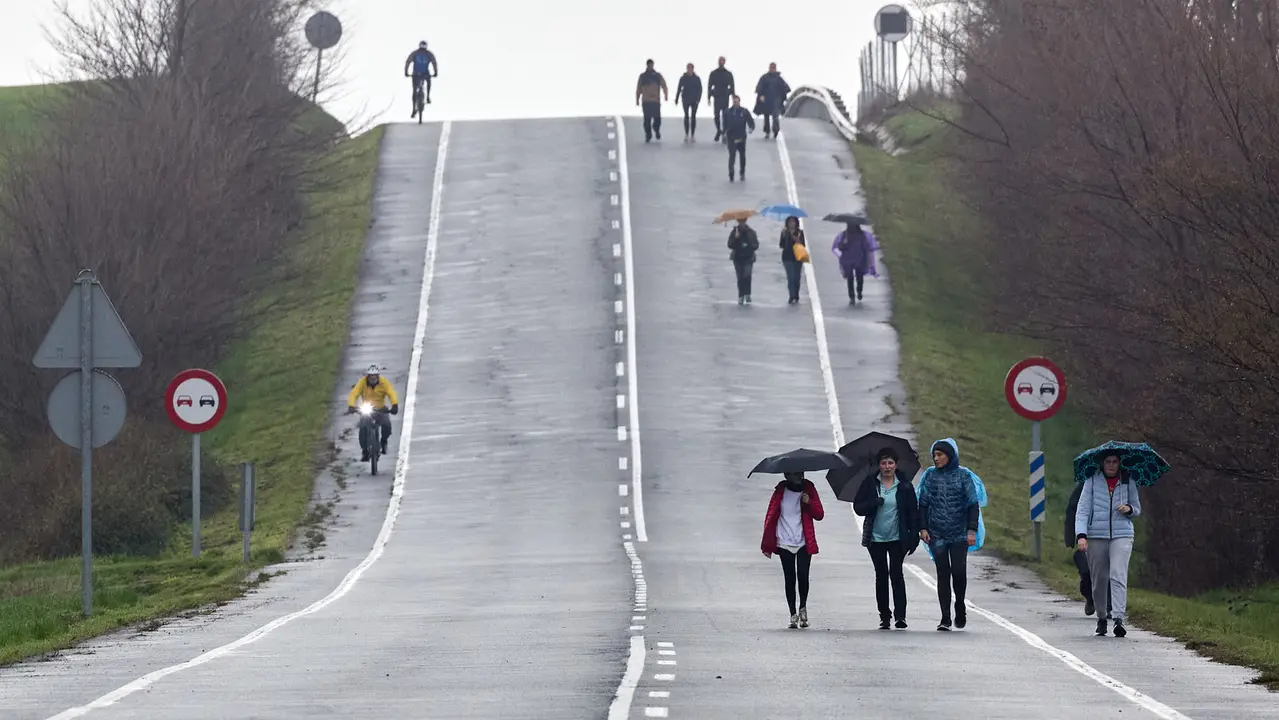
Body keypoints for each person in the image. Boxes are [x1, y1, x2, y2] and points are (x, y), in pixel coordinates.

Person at [917, 438, 983, 631]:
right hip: (936, 534)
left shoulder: (964, 476)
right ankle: (945, 617)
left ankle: (960, 604)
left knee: (959, 572)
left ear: (950, 456)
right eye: (934, 455)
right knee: (943, 574)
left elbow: (973, 504)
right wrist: (923, 528)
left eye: (940, 455)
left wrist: (971, 531)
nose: (936, 459)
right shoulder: (930, 476)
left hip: (959, 534)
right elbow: (923, 504)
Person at [1075, 451, 1142, 638]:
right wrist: (1081, 535)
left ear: (1119, 463)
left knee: (1118, 574)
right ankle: (1102, 617)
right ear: (1102, 464)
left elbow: (1137, 508)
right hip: (1096, 534)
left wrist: (1129, 509)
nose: (1111, 465)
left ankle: (1119, 618)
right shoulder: (1091, 481)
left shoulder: (1128, 481)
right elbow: (1082, 510)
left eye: (1115, 462)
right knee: (1099, 578)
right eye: (1108, 462)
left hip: (1122, 533)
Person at [853, 447, 921, 629]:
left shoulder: (905, 485)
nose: (887, 466)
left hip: (897, 538)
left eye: (890, 463)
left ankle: (901, 616)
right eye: (883, 463)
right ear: (879, 465)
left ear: (896, 465)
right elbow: (858, 507)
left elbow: (913, 512)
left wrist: (914, 536)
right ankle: (884, 616)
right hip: (875, 538)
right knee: (881, 576)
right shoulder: (870, 483)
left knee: (896, 574)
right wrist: (873, 503)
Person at [761, 472, 826, 629]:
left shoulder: (808, 488)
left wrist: (809, 502)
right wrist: (768, 540)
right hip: (784, 540)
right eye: (794, 473)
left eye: (800, 473)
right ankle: (792, 614)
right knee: (789, 577)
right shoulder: (780, 490)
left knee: (803, 575)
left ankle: (803, 608)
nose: (798, 476)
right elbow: (770, 514)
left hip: (803, 540)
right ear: (786, 475)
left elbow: (819, 514)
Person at [346, 365, 400, 461]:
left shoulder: (384, 382)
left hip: (380, 409)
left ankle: (383, 441)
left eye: (375, 375)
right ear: (368, 376)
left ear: (378, 375)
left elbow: (391, 393)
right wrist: (351, 405)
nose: (373, 377)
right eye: (371, 375)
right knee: (363, 429)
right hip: (366, 409)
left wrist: (394, 405)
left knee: (386, 425)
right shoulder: (362, 382)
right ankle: (365, 451)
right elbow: (354, 393)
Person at [1065, 481, 1097, 616]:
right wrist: (1071, 536)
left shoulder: (1120, 485)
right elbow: (1073, 509)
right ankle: (1090, 597)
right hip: (1086, 536)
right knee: (1087, 571)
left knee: (1109, 572)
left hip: (1108, 536)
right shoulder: (1086, 484)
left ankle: (1109, 605)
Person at [831, 222, 876, 304]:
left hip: (850, 259)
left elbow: (839, 246)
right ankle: (857, 292)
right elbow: (866, 247)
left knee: (852, 277)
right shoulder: (859, 235)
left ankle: (854, 294)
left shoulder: (845, 235)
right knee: (857, 277)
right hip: (857, 258)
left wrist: (844, 244)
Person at [722, 95, 755, 182]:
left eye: (736, 101)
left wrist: (751, 128)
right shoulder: (728, 112)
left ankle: (742, 172)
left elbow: (750, 121)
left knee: (742, 156)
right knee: (732, 155)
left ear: (739, 102)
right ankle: (731, 173)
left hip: (741, 137)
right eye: (734, 101)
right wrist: (724, 134)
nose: (735, 103)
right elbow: (724, 124)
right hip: (731, 137)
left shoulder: (744, 111)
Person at [753, 62, 791, 139]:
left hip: (776, 100)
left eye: (773, 68)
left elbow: (786, 88)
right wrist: (761, 95)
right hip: (766, 99)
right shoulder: (764, 77)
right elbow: (759, 87)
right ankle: (767, 131)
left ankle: (775, 131)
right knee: (766, 116)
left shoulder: (779, 78)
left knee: (775, 116)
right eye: (771, 67)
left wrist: (782, 95)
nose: (772, 69)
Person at [727, 216, 759, 304]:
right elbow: (730, 245)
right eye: (740, 221)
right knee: (740, 277)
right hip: (738, 257)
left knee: (747, 276)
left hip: (748, 257)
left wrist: (748, 245)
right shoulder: (734, 232)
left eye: (743, 221)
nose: (741, 223)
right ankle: (741, 295)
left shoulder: (751, 232)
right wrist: (736, 239)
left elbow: (755, 245)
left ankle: (747, 293)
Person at [635, 59, 669, 142]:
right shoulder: (643, 76)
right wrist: (637, 99)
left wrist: (666, 95)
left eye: (651, 65)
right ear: (647, 65)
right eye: (649, 65)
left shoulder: (657, 76)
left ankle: (656, 129)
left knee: (657, 118)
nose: (650, 66)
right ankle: (648, 135)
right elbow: (638, 88)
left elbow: (664, 85)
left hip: (655, 101)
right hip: (646, 101)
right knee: (647, 119)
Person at [403, 41, 438, 116]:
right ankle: (428, 96)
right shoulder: (429, 54)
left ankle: (413, 110)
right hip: (425, 73)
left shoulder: (415, 53)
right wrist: (435, 73)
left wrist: (406, 72)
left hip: (415, 74)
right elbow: (434, 63)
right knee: (428, 82)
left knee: (414, 91)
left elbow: (408, 62)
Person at [778, 216, 807, 304]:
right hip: (787, 257)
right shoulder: (784, 232)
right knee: (790, 277)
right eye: (790, 222)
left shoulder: (799, 233)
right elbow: (781, 245)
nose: (791, 224)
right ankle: (791, 296)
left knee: (797, 278)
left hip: (798, 257)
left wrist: (798, 241)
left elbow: (803, 245)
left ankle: (796, 295)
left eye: (793, 222)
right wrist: (787, 240)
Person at [707, 56, 736, 142]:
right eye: (720, 61)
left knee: (725, 116)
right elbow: (709, 85)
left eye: (722, 61)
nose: (721, 62)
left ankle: (724, 132)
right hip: (717, 96)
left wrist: (733, 96)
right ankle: (719, 130)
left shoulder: (728, 74)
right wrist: (708, 97)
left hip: (725, 96)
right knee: (716, 115)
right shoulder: (713, 73)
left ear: (724, 62)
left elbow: (732, 86)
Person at [675, 63, 702, 142]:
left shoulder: (696, 78)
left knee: (693, 117)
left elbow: (700, 89)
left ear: (693, 69)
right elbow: (679, 88)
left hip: (694, 100)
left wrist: (698, 99)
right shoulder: (683, 78)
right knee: (686, 116)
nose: (689, 69)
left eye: (690, 68)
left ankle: (692, 135)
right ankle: (686, 134)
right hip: (686, 99)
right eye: (688, 68)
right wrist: (676, 98)